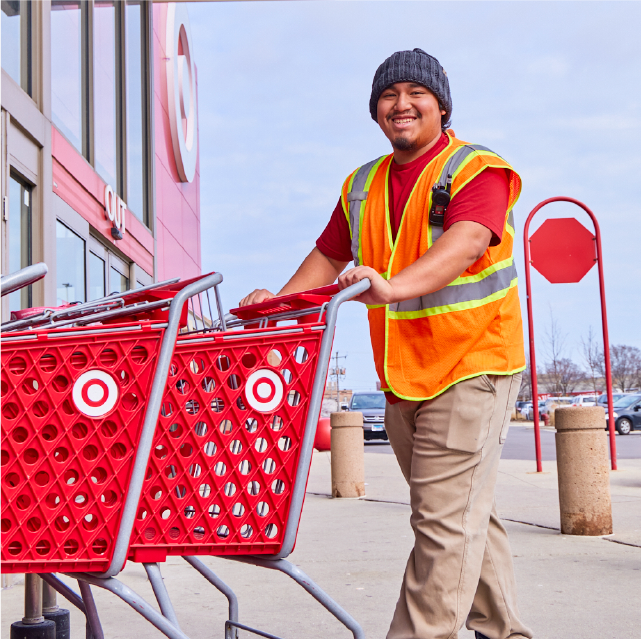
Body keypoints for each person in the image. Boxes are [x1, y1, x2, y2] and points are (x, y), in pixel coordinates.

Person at [240, 48, 532, 640]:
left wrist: (392, 287)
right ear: (375, 111)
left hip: (473, 362)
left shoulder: (478, 169)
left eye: (414, 94)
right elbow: (328, 255)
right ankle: (506, 634)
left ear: (441, 106)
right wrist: (274, 312)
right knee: (461, 514)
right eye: (388, 96)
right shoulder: (363, 183)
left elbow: (470, 240)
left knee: (442, 522)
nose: (401, 104)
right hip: (403, 376)